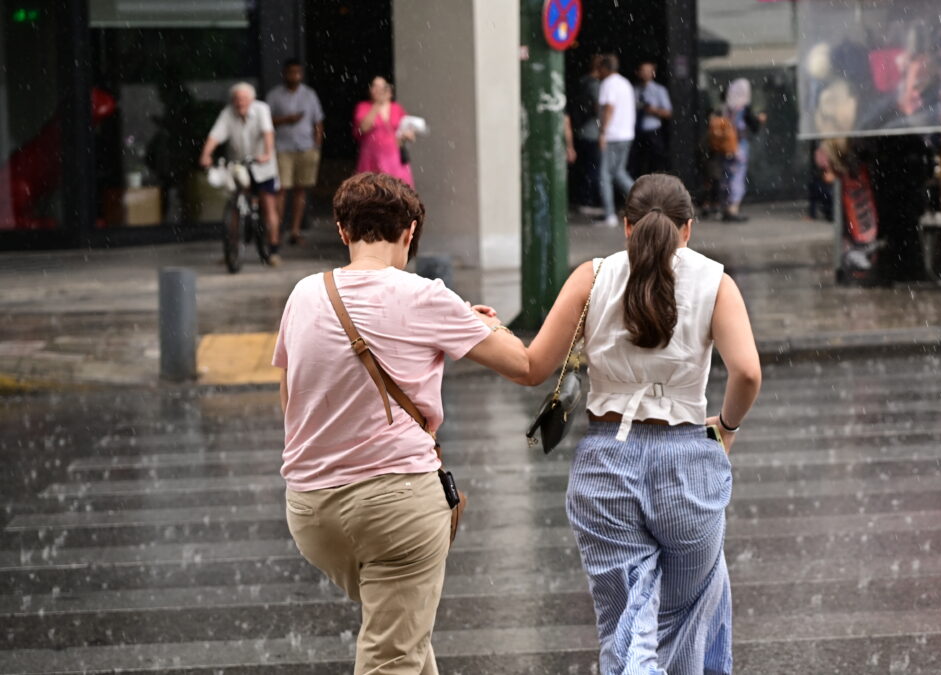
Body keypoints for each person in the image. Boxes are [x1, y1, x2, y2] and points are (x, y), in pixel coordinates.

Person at [273, 172, 528, 675]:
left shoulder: (303, 293)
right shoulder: (426, 296)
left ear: (343, 231)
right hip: (396, 508)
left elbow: (289, 398)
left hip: (311, 511)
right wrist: (487, 324)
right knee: (393, 655)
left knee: (402, 633)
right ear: (409, 232)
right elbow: (523, 364)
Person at [516, 173, 762, 673]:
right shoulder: (716, 282)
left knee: (626, 626)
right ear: (687, 229)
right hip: (686, 464)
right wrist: (726, 427)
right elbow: (747, 372)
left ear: (627, 227)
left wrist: (481, 327)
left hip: (607, 465)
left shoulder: (591, 278)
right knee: (686, 620)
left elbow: (534, 364)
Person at [199, 82, 283, 265]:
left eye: (244, 99)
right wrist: (206, 154)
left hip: (262, 165)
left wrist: (267, 153)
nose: (240, 102)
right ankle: (232, 249)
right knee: (235, 205)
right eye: (237, 99)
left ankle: (273, 250)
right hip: (240, 165)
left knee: (268, 204)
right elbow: (215, 136)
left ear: (252, 100)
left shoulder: (261, 109)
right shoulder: (227, 113)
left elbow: (268, 133)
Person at [266, 58, 325, 246]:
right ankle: (277, 230)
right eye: (291, 72)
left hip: (306, 147)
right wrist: (286, 120)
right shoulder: (274, 95)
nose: (295, 76)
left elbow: (318, 121)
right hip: (282, 148)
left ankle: (295, 231)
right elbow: (265, 121)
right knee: (281, 189)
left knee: (301, 190)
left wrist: (316, 145)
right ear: (285, 73)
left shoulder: (309, 95)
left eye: (298, 72)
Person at [595, 54, 637, 227]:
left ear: (605, 68)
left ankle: (609, 215)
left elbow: (609, 108)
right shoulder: (625, 83)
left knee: (604, 175)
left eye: (599, 68)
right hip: (626, 134)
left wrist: (602, 133)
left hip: (612, 135)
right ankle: (644, 201)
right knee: (618, 172)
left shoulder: (608, 84)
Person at [354, 77, 416, 187]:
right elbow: (363, 128)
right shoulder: (363, 107)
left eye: (382, 87)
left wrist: (406, 135)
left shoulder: (397, 108)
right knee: (372, 189)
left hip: (394, 159)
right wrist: (377, 104)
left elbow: (409, 130)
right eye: (375, 86)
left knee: (397, 189)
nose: (379, 90)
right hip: (372, 158)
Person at [719, 78, 766, 223]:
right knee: (738, 176)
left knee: (727, 176)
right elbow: (754, 126)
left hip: (726, 146)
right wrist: (759, 120)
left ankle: (726, 208)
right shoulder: (743, 108)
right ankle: (733, 208)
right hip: (739, 146)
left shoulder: (726, 107)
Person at [569, 55, 604, 215]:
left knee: (585, 166)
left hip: (581, 129)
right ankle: (588, 200)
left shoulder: (582, 81)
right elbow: (598, 108)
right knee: (594, 168)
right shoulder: (595, 85)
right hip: (593, 131)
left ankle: (582, 198)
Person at [631, 61, 672, 177]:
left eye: (648, 71)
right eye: (643, 71)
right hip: (636, 132)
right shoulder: (633, 89)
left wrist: (653, 110)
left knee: (656, 164)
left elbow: (668, 113)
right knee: (636, 164)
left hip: (653, 131)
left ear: (653, 73)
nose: (645, 74)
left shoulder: (659, 90)